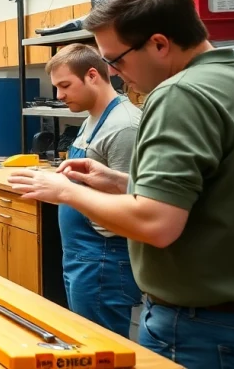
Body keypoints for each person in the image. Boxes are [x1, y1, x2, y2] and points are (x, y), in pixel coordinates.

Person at [8, 0, 234, 368]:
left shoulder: (179, 94)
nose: (115, 73)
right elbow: (213, 195)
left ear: (159, 43)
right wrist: (121, 182)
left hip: (200, 328)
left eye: (116, 60)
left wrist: (65, 191)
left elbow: (157, 223)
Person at [32, 43, 143, 337]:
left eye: (65, 85)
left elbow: (133, 203)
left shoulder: (123, 126)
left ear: (93, 75)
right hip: (82, 254)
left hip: (103, 256)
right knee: (85, 340)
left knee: (101, 345)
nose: (59, 96)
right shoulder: (92, 116)